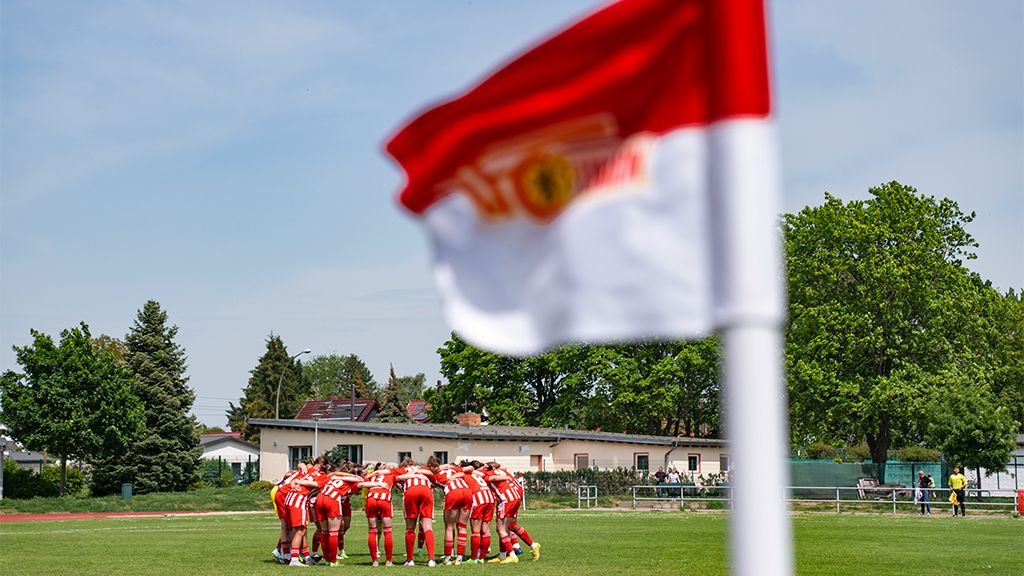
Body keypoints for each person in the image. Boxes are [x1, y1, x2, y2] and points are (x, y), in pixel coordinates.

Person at [395, 457, 438, 567]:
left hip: (411, 491)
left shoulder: (403, 469)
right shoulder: (423, 468)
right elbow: (433, 476)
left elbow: (396, 478)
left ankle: (410, 560)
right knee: (428, 527)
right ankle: (432, 560)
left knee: (410, 528)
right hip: (426, 491)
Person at [364, 464, 398, 566]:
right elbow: (402, 478)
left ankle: (375, 561)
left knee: (372, 531)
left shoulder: (371, 476)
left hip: (371, 498)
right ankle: (388, 561)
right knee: (387, 531)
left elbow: (363, 483)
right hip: (384, 498)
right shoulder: (391, 475)